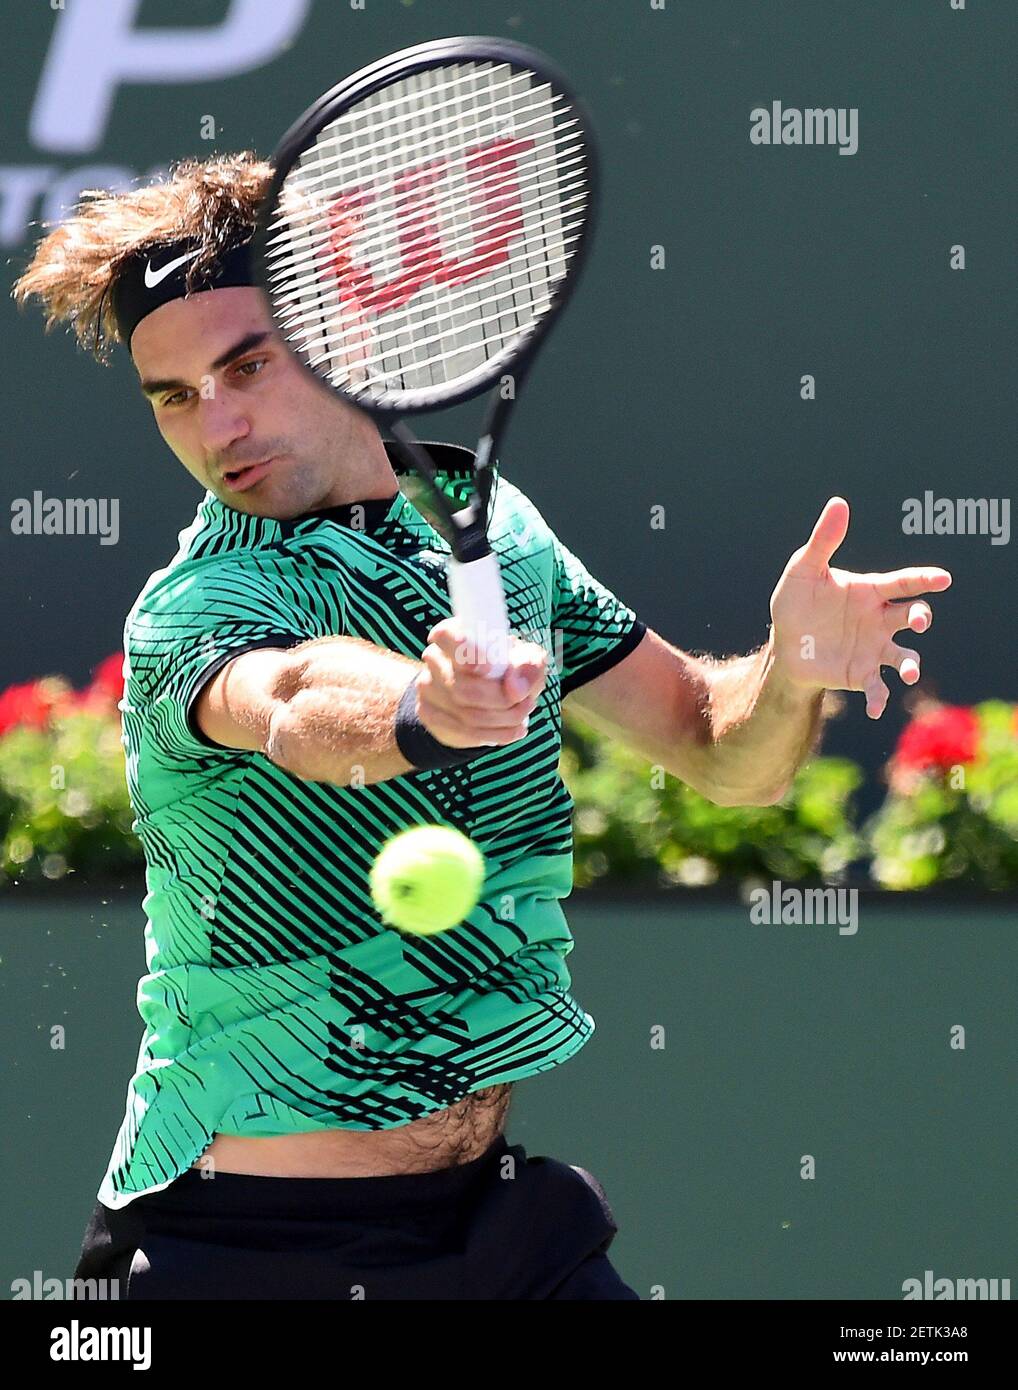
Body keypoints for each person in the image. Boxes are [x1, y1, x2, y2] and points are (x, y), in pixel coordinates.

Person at [13, 152, 950, 1300]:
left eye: (247, 365)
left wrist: (793, 670)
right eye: (174, 395)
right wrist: (421, 705)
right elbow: (298, 699)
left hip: (493, 1229)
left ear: (341, 328)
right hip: (244, 1248)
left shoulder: (494, 529)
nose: (219, 424)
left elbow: (717, 747)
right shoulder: (199, 608)